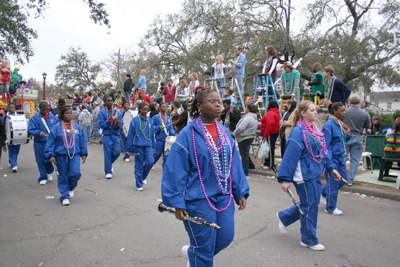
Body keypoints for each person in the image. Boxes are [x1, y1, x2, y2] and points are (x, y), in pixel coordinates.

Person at [161, 88, 249, 267]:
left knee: (225, 237)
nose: (218, 105)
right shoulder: (188, 134)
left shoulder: (225, 133)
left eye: (219, 101)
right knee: (204, 246)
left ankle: (194, 253)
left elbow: (234, 164)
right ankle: (198, 255)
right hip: (198, 198)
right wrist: (177, 202)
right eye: (213, 102)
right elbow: (175, 170)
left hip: (223, 196)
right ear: (200, 106)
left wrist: (239, 191)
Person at [276, 100, 341, 251]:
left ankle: (284, 217)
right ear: (303, 113)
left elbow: (323, 152)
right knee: (310, 206)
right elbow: (290, 156)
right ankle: (308, 238)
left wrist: (331, 168)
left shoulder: (315, 130)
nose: (316, 112)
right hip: (303, 176)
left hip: (314, 173)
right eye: (312, 110)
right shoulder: (298, 132)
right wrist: (285, 179)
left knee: (310, 204)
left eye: (316, 110)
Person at [45, 107, 88, 206]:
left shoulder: (77, 127)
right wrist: (51, 155)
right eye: (67, 113)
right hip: (60, 155)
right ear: (62, 115)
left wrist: (83, 153)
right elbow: (50, 142)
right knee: (63, 175)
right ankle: (64, 196)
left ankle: (70, 188)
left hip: (74, 154)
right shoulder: (56, 128)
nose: (69, 115)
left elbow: (82, 141)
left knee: (75, 173)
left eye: (70, 113)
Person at [321, 102, 352, 215]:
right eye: (342, 110)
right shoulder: (329, 125)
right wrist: (328, 162)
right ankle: (330, 207)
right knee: (334, 182)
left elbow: (342, 141)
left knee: (343, 179)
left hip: (340, 157)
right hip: (332, 157)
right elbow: (326, 146)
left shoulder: (339, 123)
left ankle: (323, 192)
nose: (344, 113)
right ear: (335, 111)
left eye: (345, 110)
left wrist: (348, 132)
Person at [342, 97, 371, 186]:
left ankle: (342, 178)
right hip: (358, 136)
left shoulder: (344, 111)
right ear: (359, 103)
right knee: (355, 160)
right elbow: (368, 126)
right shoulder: (365, 113)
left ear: (349, 102)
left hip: (346, 135)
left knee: (343, 158)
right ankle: (350, 180)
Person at [127, 102, 155, 191]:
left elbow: (152, 134)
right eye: (144, 109)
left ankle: (142, 177)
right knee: (139, 165)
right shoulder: (135, 120)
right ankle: (139, 184)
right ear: (140, 109)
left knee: (150, 162)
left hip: (148, 145)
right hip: (138, 146)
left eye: (147, 110)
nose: (146, 111)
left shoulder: (150, 120)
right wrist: (130, 148)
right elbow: (130, 135)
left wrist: (153, 146)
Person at [28, 101, 58, 185]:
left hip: (50, 142)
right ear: (39, 109)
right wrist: (38, 133)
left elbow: (57, 128)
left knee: (50, 159)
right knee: (40, 160)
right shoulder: (34, 118)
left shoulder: (53, 117)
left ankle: (49, 172)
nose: (45, 111)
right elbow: (31, 129)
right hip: (39, 142)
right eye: (43, 110)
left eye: (46, 109)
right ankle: (43, 176)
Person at [98, 96, 123, 179]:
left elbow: (121, 124)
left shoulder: (117, 112)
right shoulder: (101, 112)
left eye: (111, 101)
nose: (110, 102)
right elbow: (101, 125)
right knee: (108, 153)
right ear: (105, 102)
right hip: (107, 135)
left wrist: (119, 124)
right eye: (108, 101)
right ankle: (108, 171)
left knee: (117, 152)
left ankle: (108, 164)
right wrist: (108, 121)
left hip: (115, 134)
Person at [233, 103, 258, 178]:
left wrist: (235, 133)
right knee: (246, 153)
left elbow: (240, 128)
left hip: (244, 137)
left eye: (246, 108)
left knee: (244, 155)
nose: (245, 109)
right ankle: (251, 165)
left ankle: (245, 171)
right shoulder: (254, 118)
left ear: (248, 109)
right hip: (249, 137)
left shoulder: (247, 118)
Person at [152, 103, 176, 169]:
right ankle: (150, 164)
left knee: (166, 154)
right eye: (163, 107)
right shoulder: (155, 117)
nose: (164, 108)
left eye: (165, 107)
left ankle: (165, 167)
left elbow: (170, 128)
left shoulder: (168, 118)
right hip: (159, 138)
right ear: (159, 108)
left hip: (166, 139)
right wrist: (158, 127)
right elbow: (151, 127)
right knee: (157, 153)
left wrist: (174, 134)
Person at [261, 101, 280, 173]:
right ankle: (267, 162)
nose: (266, 105)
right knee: (268, 148)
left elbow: (270, 124)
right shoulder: (274, 112)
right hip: (272, 132)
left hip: (270, 133)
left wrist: (265, 134)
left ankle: (270, 164)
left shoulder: (270, 113)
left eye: (267, 104)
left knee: (270, 149)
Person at [2, 103, 21, 172]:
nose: (12, 108)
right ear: (8, 108)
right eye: (11, 107)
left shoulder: (18, 116)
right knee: (11, 150)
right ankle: (14, 165)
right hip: (9, 136)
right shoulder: (4, 117)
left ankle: (11, 161)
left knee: (16, 151)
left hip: (17, 136)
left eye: (13, 107)